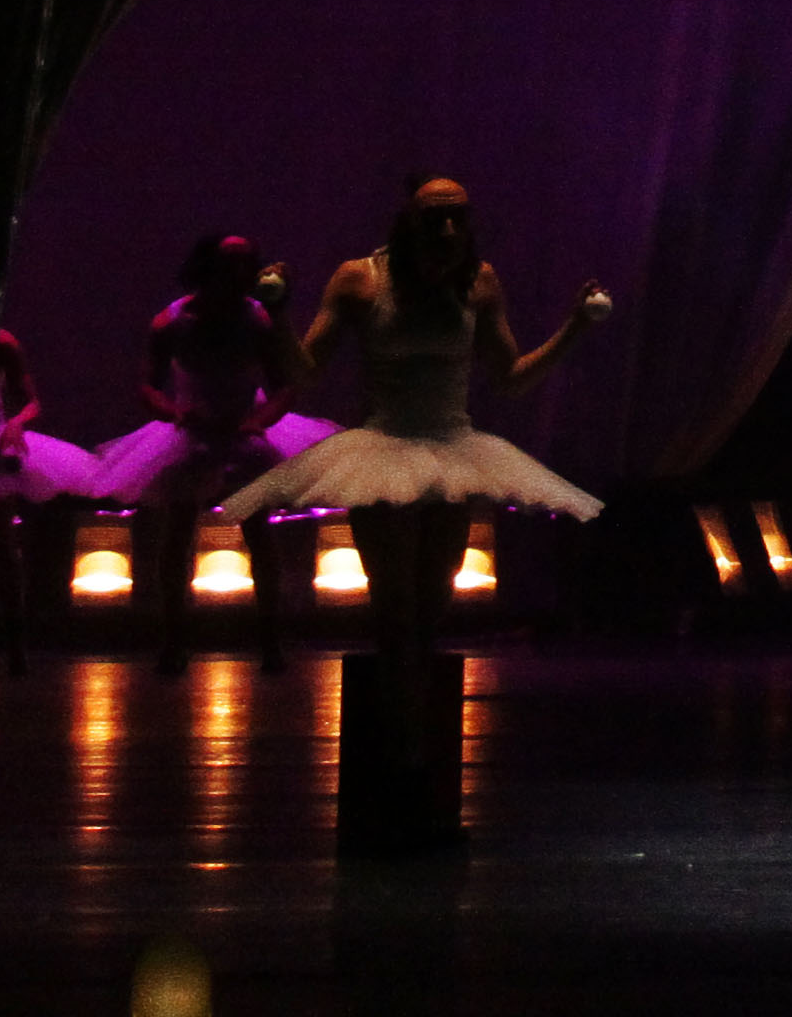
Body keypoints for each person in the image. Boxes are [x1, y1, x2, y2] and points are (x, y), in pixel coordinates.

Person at [220, 181, 608, 659]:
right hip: (380, 449)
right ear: (409, 222)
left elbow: (510, 379)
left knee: (435, 594)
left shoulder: (479, 281)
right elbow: (306, 373)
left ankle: (419, 689)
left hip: (453, 448)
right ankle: (392, 690)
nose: (448, 230)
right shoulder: (360, 279)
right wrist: (277, 316)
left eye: (458, 217)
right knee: (390, 594)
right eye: (434, 218)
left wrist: (575, 327)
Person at [85, 233, 329, 668]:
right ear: (208, 268)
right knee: (179, 533)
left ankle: (270, 639)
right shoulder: (172, 321)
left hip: (243, 427)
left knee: (258, 531)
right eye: (230, 264)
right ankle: (174, 639)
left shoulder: (257, 318)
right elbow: (147, 385)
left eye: (246, 264)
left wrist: (260, 420)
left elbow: (283, 386)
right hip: (192, 431)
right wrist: (175, 412)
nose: (240, 273)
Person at [0, 326, 99, 674]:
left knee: (4, 548)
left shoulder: (1, 342)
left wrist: (15, 424)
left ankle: (16, 646)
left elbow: (31, 402)